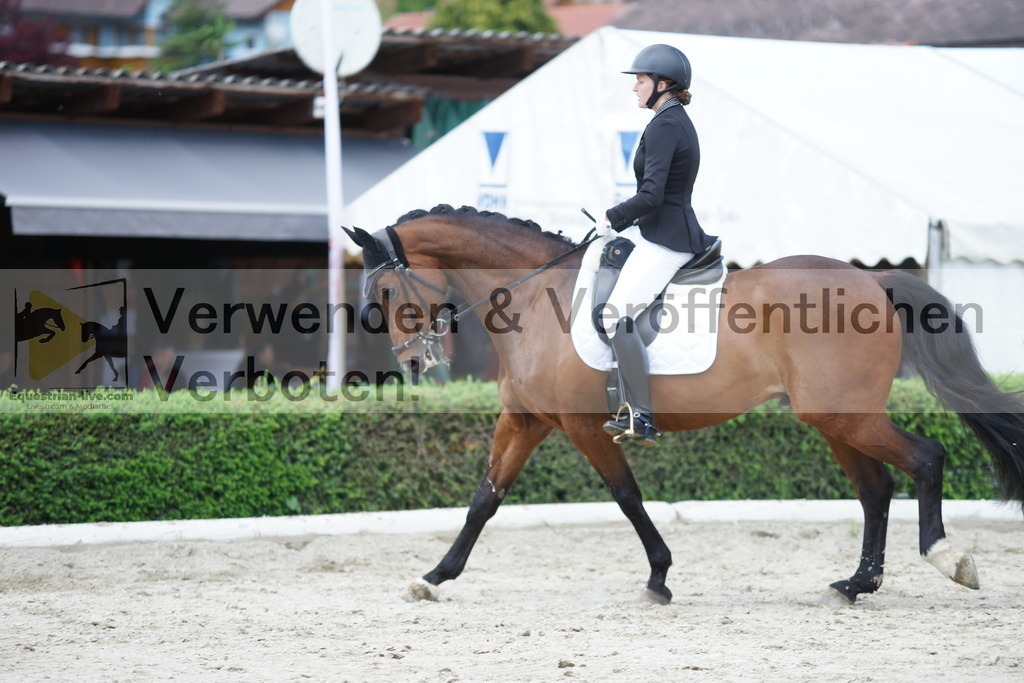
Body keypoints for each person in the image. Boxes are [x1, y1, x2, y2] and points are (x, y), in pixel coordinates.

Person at [595, 44, 716, 446]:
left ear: (663, 84)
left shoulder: (666, 126)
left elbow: (651, 196)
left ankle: (641, 416)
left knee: (614, 317)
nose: (635, 89)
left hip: (667, 239)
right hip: (658, 231)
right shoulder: (672, 119)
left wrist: (612, 217)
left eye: (641, 81)